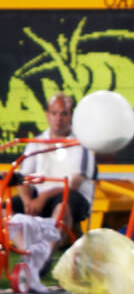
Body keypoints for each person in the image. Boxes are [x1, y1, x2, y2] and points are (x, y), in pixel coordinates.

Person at [12, 92, 96, 231]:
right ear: (47, 115)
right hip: (39, 198)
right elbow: (23, 177)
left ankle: (49, 249)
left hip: (72, 196)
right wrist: (28, 202)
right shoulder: (36, 142)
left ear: (71, 116)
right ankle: (27, 250)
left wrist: (43, 197)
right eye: (54, 113)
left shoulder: (82, 143)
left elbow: (74, 184)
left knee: (62, 205)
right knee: (5, 207)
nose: (58, 118)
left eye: (63, 114)